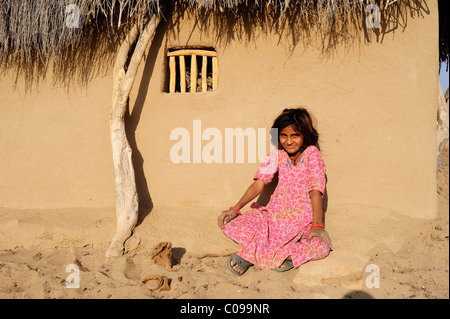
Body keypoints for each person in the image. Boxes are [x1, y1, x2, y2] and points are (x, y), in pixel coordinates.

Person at [218, 108, 332, 276]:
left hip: (301, 218)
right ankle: (263, 255)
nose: (289, 141)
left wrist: (317, 224)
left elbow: (316, 191)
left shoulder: (311, 154)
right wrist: (235, 208)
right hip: (277, 214)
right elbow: (259, 184)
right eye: (283, 135)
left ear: (305, 135)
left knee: (320, 246)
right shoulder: (276, 155)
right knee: (234, 224)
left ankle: (284, 257)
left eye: (295, 135)